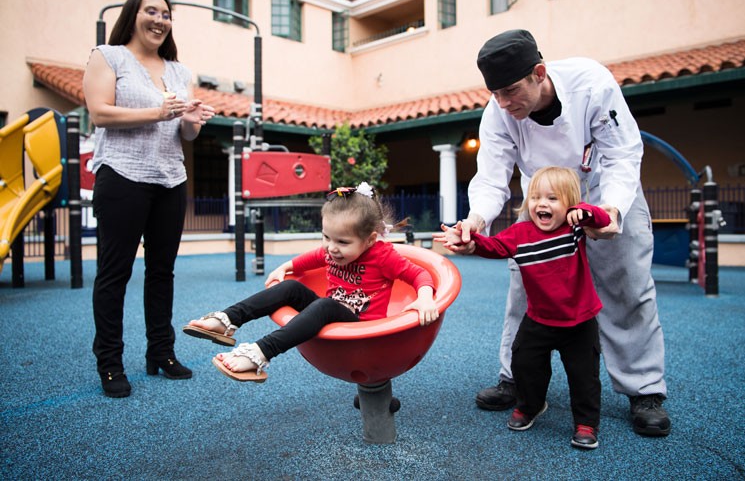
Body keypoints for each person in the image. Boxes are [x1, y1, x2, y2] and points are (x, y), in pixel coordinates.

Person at [446, 29, 671, 436]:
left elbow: (622, 153)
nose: (503, 102)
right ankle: (516, 379)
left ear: (539, 73)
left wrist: (613, 211)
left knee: (628, 287)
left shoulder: (592, 82)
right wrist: (475, 220)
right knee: (525, 284)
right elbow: (493, 175)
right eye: (495, 93)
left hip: (603, 189)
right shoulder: (498, 111)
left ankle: (644, 390)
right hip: (545, 198)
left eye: (511, 91)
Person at [83, 0, 216, 398]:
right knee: (114, 273)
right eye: (151, 11)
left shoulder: (179, 71)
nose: (159, 20)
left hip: (170, 179)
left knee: (162, 272)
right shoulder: (108, 56)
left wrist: (192, 121)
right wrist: (158, 111)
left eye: (166, 14)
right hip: (122, 176)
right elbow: (99, 113)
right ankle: (110, 364)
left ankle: (161, 352)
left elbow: (183, 132)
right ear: (134, 15)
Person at [183, 182, 440, 382]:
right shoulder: (330, 250)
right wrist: (287, 266)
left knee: (326, 305)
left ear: (370, 239)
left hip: (361, 329)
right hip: (332, 312)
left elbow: (419, 274)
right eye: (326, 237)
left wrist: (425, 297)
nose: (331, 248)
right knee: (291, 288)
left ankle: (261, 353)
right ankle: (228, 320)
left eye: (343, 242)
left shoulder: (382, 255)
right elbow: (312, 258)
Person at [439, 166, 612, 449]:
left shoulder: (574, 229)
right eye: (536, 198)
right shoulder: (521, 233)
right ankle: (531, 405)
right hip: (539, 319)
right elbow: (493, 246)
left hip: (579, 321)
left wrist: (586, 212)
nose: (542, 204)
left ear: (569, 206)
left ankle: (586, 422)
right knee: (524, 363)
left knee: (584, 376)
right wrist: (469, 242)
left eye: (553, 199)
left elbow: (603, 218)